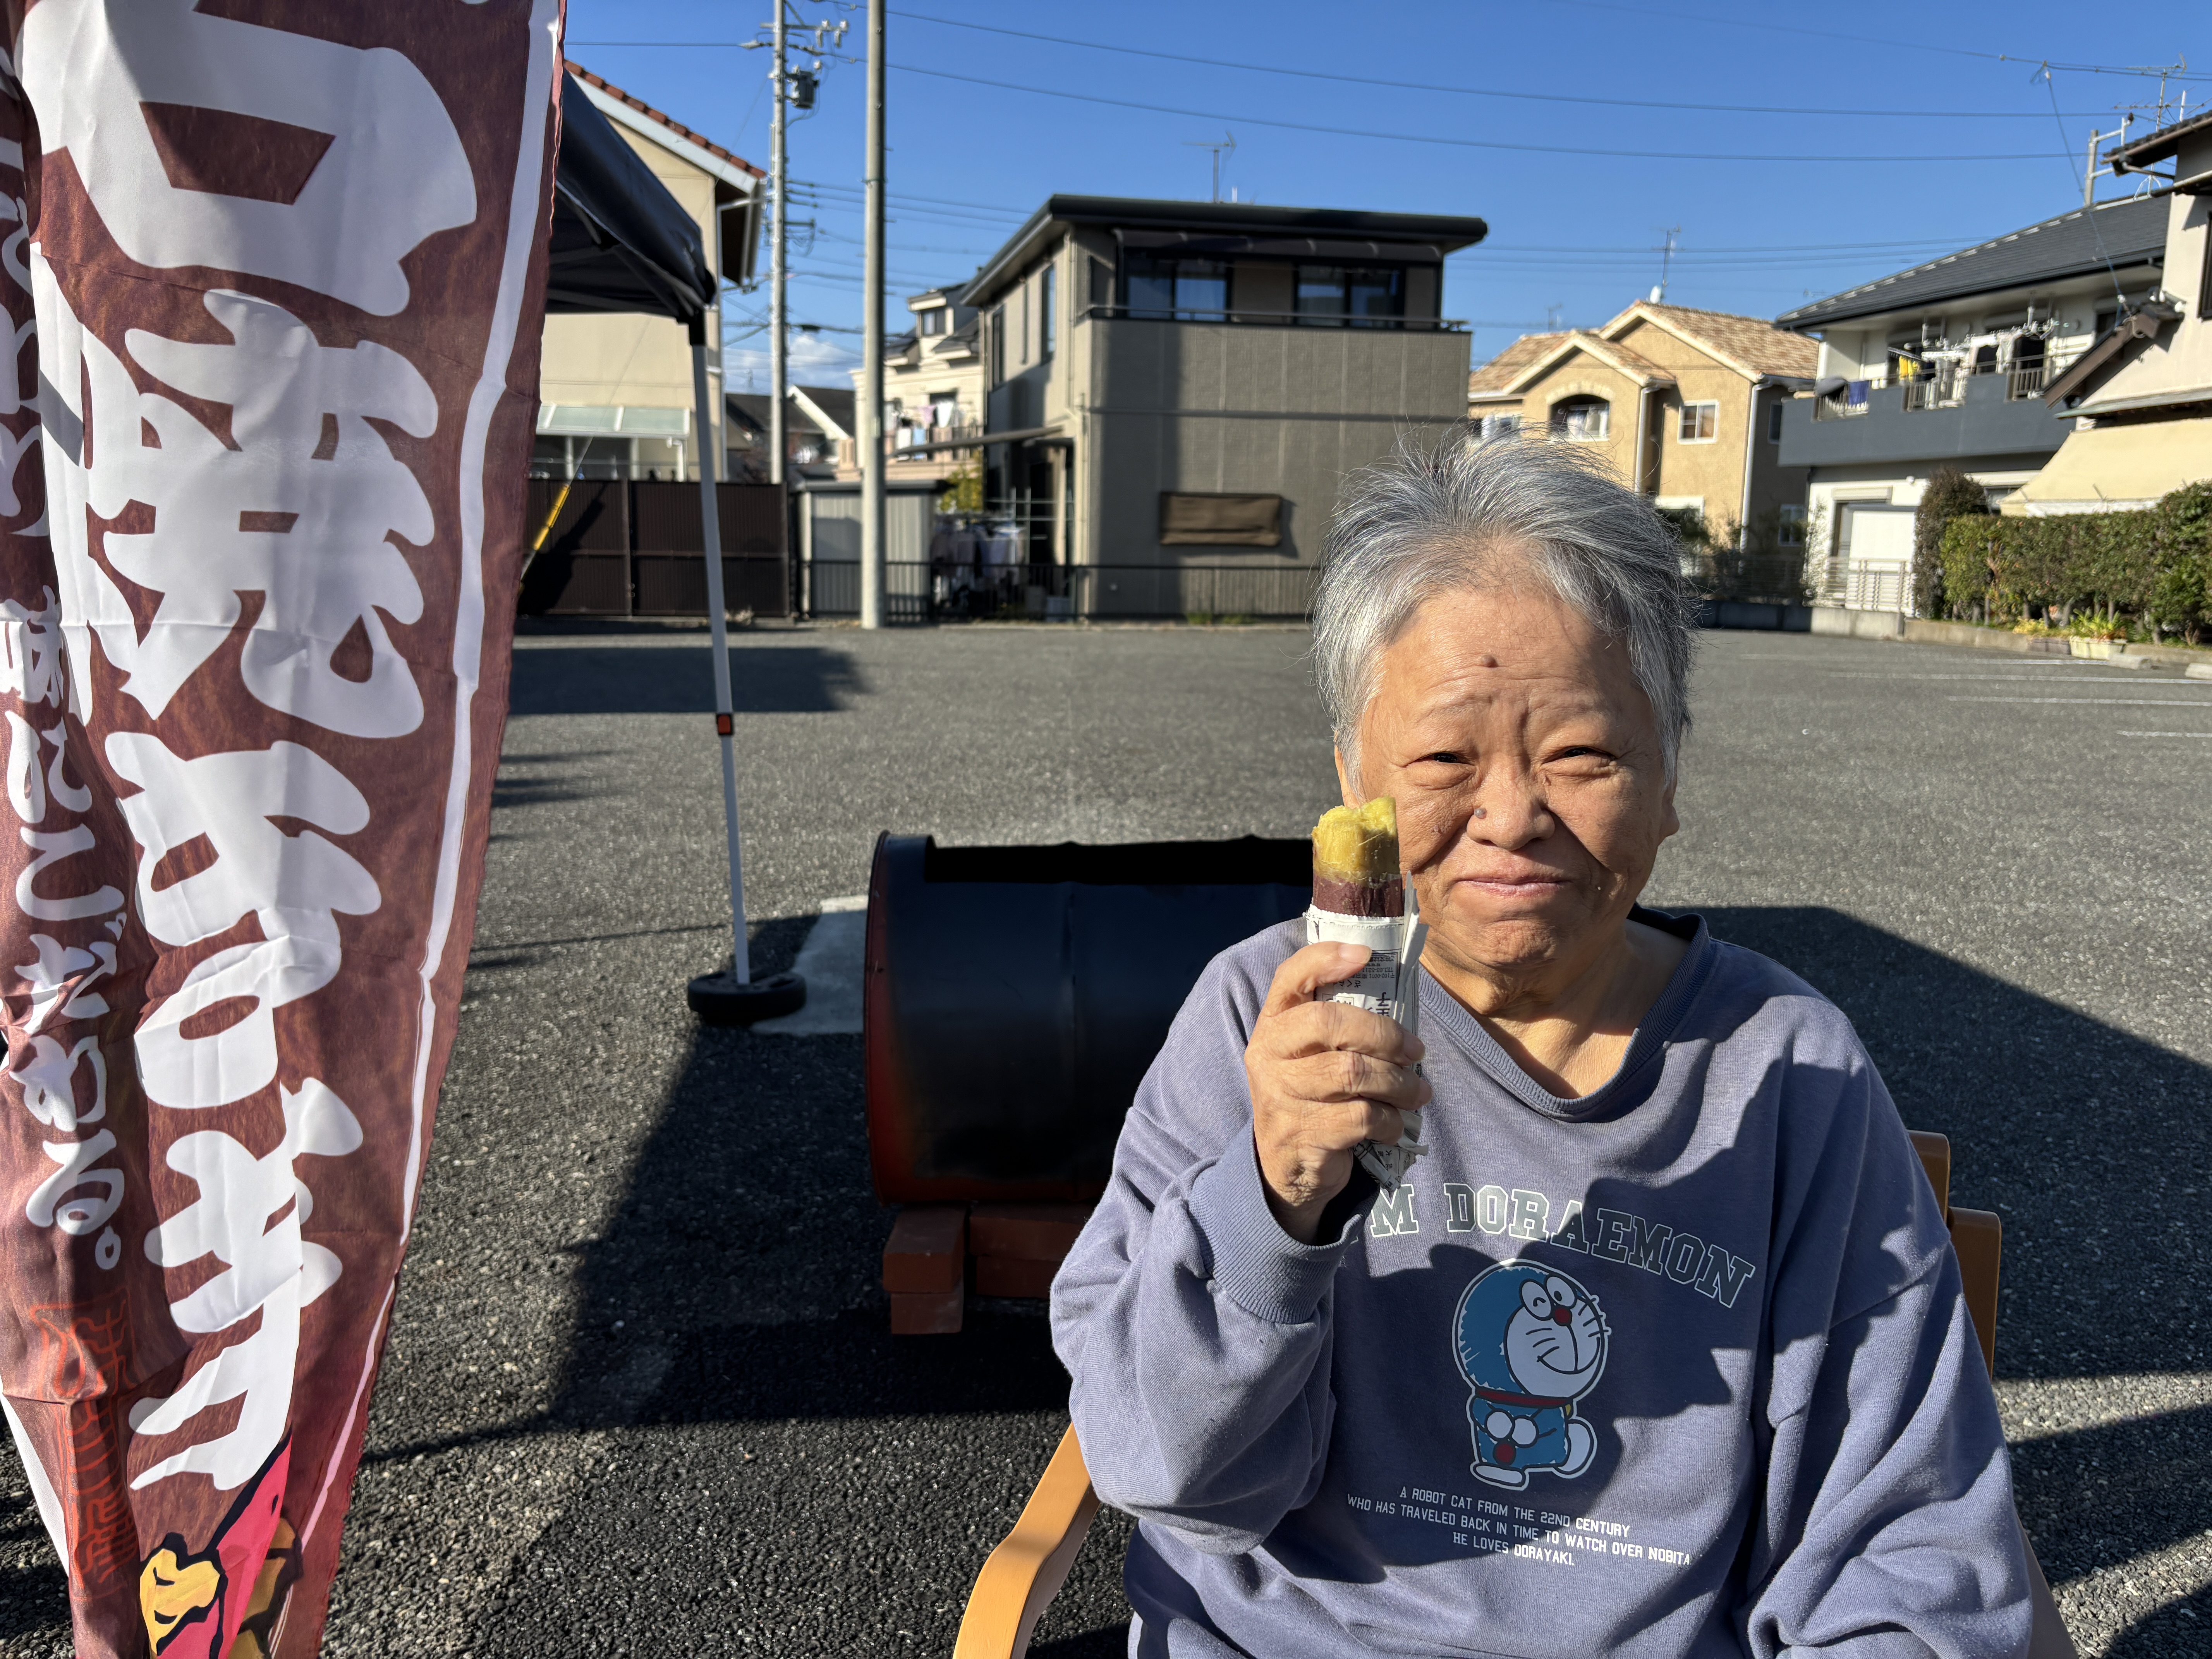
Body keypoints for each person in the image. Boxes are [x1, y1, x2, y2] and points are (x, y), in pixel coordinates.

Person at [1051, 434, 2040, 1657]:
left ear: (1669, 774)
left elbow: (1908, 1550)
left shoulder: (1791, 1070)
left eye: (1581, 754)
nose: (1512, 816)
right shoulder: (1256, 1017)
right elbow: (1170, 1478)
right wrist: (1274, 1206)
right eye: (1443, 760)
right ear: (1352, 777)